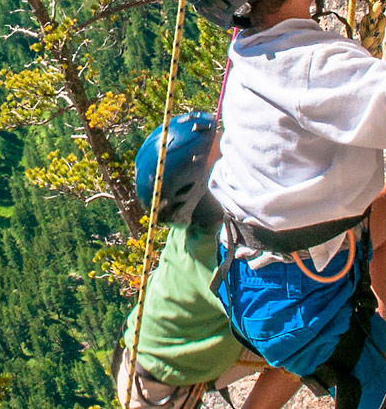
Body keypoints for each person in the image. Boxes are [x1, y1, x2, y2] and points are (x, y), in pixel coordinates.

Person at [162, 0, 386, 409]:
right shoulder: (305, 64)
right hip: (298, 303)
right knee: (384, 387)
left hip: (257, 280)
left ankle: (381, 313)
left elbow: (351, 100)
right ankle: (376, 341)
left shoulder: (262, 55)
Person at [115, 112, 304, 409]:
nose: (234, 148)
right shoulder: (224, 253)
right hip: (163, 388)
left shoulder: (198, 221)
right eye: (224, 150)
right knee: (305, 341)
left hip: (144, 360)